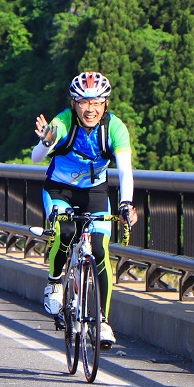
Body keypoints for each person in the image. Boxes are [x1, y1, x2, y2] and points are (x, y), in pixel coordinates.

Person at [30, 71, 137, 349]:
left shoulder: (114, 128)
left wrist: (126, 203)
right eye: (83, 102)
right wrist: (46, 142)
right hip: (59, 190)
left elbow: (125, 170)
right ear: (74, 103)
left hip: (95, 192)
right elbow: (36, 157)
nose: (90, 109)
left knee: (100, 249)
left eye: (97, 102)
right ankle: (54, 282)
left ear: (105, 104)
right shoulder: (63, 122)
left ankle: (102, 321)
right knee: (65, 230)